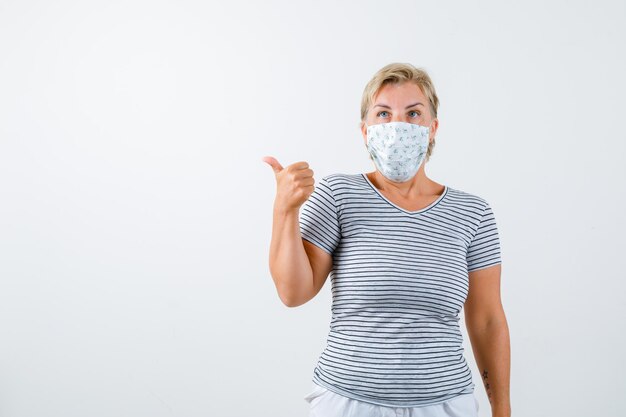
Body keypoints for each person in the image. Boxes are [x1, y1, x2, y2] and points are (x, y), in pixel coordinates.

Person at [263, 63, 511, 417]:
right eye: (383, 113)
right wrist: (284, 210)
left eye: (413, 113)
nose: (398, 126)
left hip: (446, 405)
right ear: (365, 131)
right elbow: (293, 292)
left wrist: (501, 409)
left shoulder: (473, 213)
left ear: (432, 127)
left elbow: (487, 319)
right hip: (348, 402)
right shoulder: (338, 194)